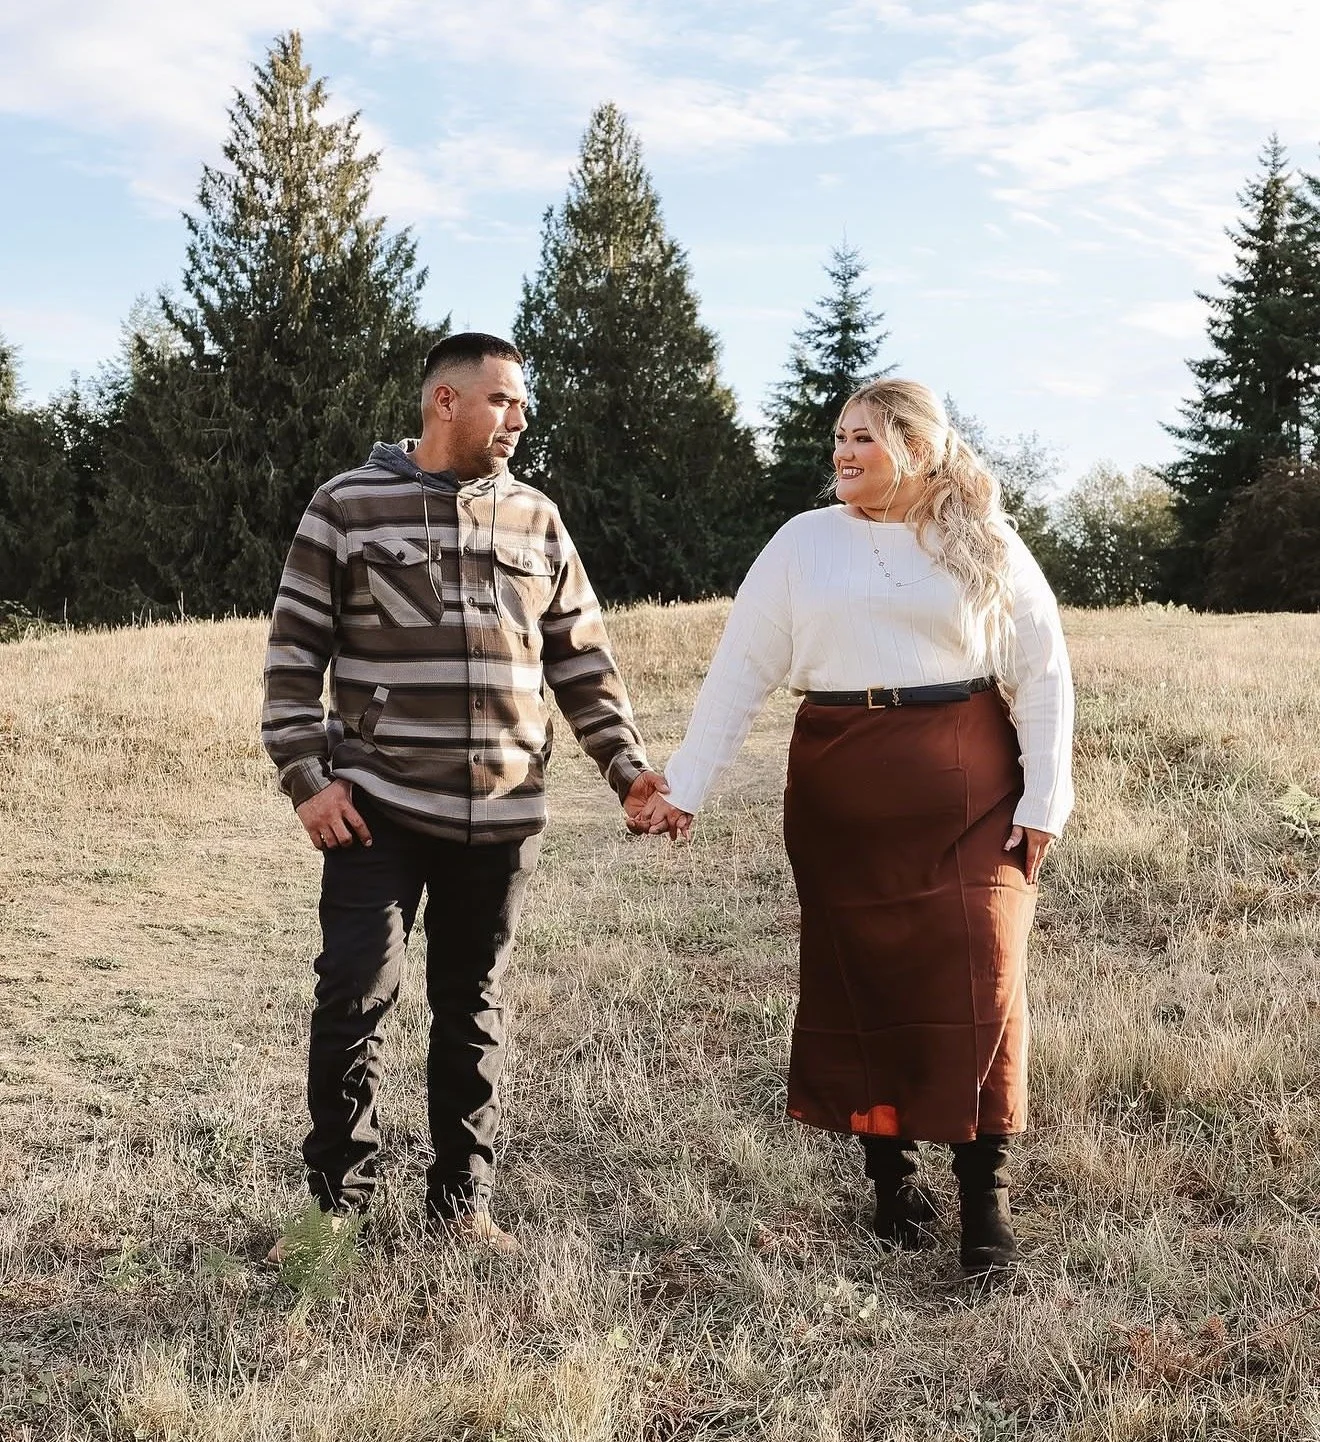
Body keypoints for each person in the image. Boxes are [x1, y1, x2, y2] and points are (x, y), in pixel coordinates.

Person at [633, 379, 1074, 1274]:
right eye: (838, 437)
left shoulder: (981, 541)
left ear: (915, 445)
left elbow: (1043, 672)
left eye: (863, 438)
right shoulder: (802, 544)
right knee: (864, 980)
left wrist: (1045, 802)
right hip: (841, 787)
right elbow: (739, 671)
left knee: (982, 981)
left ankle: (983, 1202)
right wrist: (687, 786)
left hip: (969, 786)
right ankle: (892, 1180)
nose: (842, 452)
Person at [261, 332, 668, 1257]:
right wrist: (307, 782)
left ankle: (463, 1207)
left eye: (522, 404)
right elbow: (292, 662)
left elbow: (582, 661)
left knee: (473, 1003)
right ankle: (333, 1212)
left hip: (506, 811)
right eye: (504, 400)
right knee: (355, 999)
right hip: (379, 809)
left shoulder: (537, 518)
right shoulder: (346, 507)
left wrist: (628, 770)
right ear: (445, 402)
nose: (519, 419)